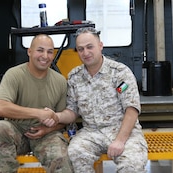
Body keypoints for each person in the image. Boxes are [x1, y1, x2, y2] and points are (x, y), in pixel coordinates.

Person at [43, 27, 148, 173]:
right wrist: (56, 116)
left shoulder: (119, 73)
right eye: (80, 49)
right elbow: (72, 111)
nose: (85, 53)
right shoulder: (75, 77)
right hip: (91, 133)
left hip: (124, 130)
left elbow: (131, 109)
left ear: (100, 46)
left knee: (131, 166)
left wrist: (119, 141)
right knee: (74, 155)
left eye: (90, 47)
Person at [0, 34, 73, 173]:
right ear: (29, 51)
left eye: (50, 51)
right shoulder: (14, 74)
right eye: (40, 50)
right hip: (17, 132)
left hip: (46, 134)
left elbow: (61, 119)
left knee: (60, 160)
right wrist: (38, 113)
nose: (45, 56)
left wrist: (48, 129)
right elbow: (0, 108)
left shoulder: (60, 81)